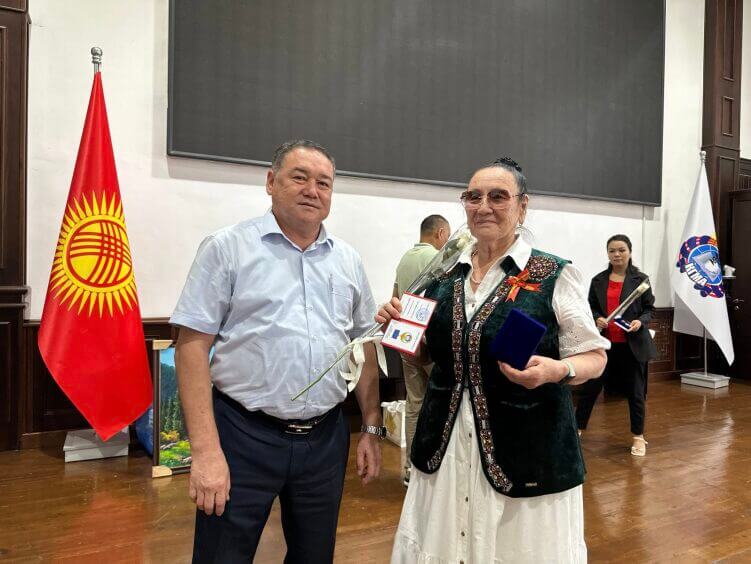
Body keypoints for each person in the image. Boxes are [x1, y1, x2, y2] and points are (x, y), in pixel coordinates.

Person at [377, 157, 609, 563]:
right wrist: (400, 333)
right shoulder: (443, 275)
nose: (483, 207)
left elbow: (594, 356)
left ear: (522, 206)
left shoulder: (553, 273)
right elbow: (430, 358)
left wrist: (558, 370)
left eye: (498, 197)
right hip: (446, 444)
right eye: (474, 197)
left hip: (528, 446)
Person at [170, 139, 385, 564]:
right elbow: (191, 348)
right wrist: (206, 452)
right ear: (271, 182)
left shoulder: (348, 260)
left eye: (324, 183)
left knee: (314, 556)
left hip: (325, 441)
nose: (312, 191)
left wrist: (372, 426)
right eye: (299, 177)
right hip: (243, 436)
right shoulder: (227, 248)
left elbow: (363, 346)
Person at [575, 234, 656, 456]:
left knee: (636, 393)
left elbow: (649, 309)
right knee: (590, 389)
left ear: (629, 252)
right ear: (607, 253)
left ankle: (638, 437)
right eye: (612, 251)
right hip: (605, 344)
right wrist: (597, 318)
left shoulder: (641, 280)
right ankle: (577, 430)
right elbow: (589, 307)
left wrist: (641, 321)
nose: (617, 254)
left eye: (621, 250)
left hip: (632, 345)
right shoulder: (598, 280)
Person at [393, 214, 450, 485]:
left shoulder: (404, 259)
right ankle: (435, 467)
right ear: (441, 233)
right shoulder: (439, 259)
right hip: (431, 342)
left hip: (406, 339)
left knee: (414, 404)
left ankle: (410, 469)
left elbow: (395, 297)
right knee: (442, 403)